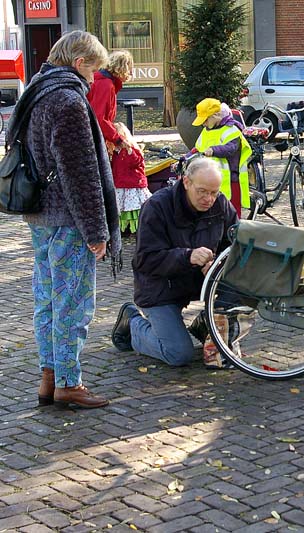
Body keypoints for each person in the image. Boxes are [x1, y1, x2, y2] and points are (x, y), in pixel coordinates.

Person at [20, 31, 120, 409]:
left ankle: (49, 378)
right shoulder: (67, 100)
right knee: (72, 303)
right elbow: (80, 175)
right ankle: (68, 382)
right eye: (93, 69)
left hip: (40, 217)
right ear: (79, 63)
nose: (94, 79)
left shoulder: (36, 92)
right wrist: (97, 231)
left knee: (46, 300)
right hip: (68, 219)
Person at [111, 157, 238, 368]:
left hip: (199, 283)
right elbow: (145, 260)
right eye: (203, 191)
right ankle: (132, 322)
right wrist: (187, 256)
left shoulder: (220, 203)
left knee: (244, 287)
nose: (209, 199)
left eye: (214, 192)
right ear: (186, 182)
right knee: (178, 354)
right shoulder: (156, 206)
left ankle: (206, 325)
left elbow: (234, 245)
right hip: (160, 287)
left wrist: (217, 263)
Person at [193, 98, 252, 218]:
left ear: (215, 116)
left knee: (232, 214)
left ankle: (233, 235)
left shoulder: (232, 130)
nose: (203, 124)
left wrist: (213, 150)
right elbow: (197, 149)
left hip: (232, 179)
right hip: (212, 179)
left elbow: (231, 148)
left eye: (205, 120)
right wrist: (185, 157)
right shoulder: (207, 130)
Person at [87, 49, 134, 157]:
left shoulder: (103, 81)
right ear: (123, 68)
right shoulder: (106, 85)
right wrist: (117, 139)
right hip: (93, 137)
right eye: (130, 69)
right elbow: (99, 118)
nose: (131, 73)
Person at [111, 122, 151, 235]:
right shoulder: (116, 152)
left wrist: (129, 150)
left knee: (133, 208)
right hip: (121, 184)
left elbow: (136, 162)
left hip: (132, 185)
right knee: (123, 207)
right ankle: (125, 227)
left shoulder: (132, 151)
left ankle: (137, 226)